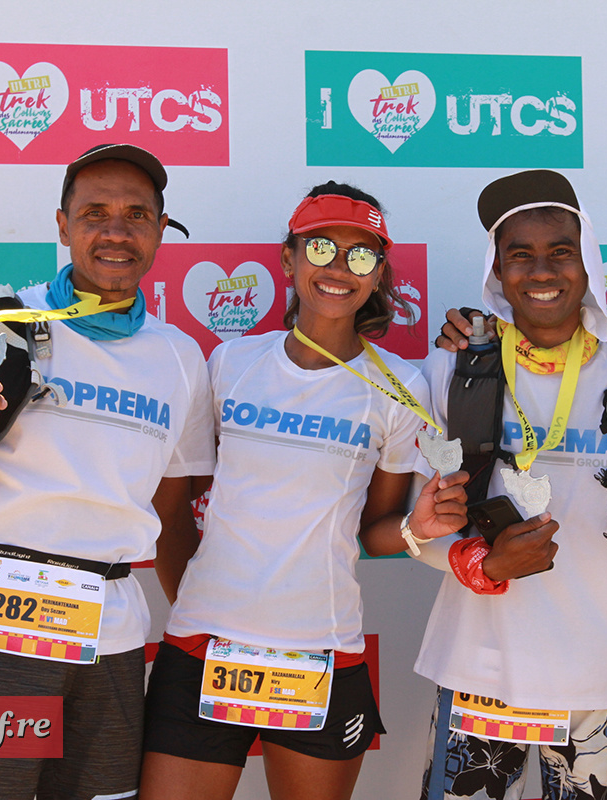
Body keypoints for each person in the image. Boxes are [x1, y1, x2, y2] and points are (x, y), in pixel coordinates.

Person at [0, 143, 215, 800]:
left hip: (111, 634)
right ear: (62, 225)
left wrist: (199, 630)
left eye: (137, 214)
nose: (116, 231)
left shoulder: (180, 358)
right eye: (95, 213)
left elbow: (172, 520)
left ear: (160, 230)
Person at [139, 181, 470, 800]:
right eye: (320, 249)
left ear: (378, 274)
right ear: (288, 259)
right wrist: (200, 604)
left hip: (321, 650)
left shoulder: (400, 388)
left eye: (360, 255)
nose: (339, 268)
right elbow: (175, 503)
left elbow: (375, 531)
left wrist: (415, 530)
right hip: (203, 645)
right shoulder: (230, 363)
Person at [413, 170, 607, 800]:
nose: (542, 271)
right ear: (497, 269)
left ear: (589, 262)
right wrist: (482, 565)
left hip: (591, 677)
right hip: (477, 670)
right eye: (521, 255)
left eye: (561, 251)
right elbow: (415, 529)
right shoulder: (455, 367)